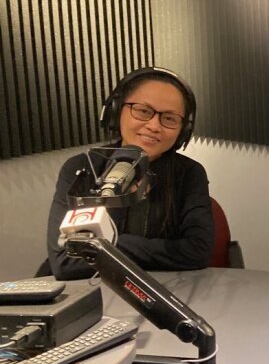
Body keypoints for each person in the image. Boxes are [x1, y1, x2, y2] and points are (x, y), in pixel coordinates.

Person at [43, 67, 214, 280]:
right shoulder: (82, 167)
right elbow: (64, 261)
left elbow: (196, 252)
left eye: (169, 119)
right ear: (115, 111)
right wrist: (149, 251)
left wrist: (111, 244)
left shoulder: (189, 173)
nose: (154, 126)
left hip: (160, 290)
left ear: (183, 131)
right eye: (143, 111)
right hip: (87, 296)